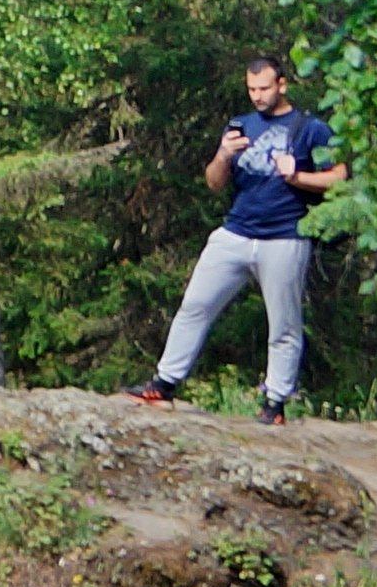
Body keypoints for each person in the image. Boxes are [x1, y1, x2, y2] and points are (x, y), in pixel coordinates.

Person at [130, 53, 343, 415]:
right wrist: (224, 154)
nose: (257, 96)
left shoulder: (311, 128)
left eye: (264, 88)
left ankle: (275, 402)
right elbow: (214, 182)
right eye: (251, 89)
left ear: (282, 85)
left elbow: (339, 176)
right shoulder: (240, 125)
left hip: (285, 236)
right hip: (235, 231)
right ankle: (164, 382)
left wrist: (298, 177)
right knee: (195, 305)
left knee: (283, 324)